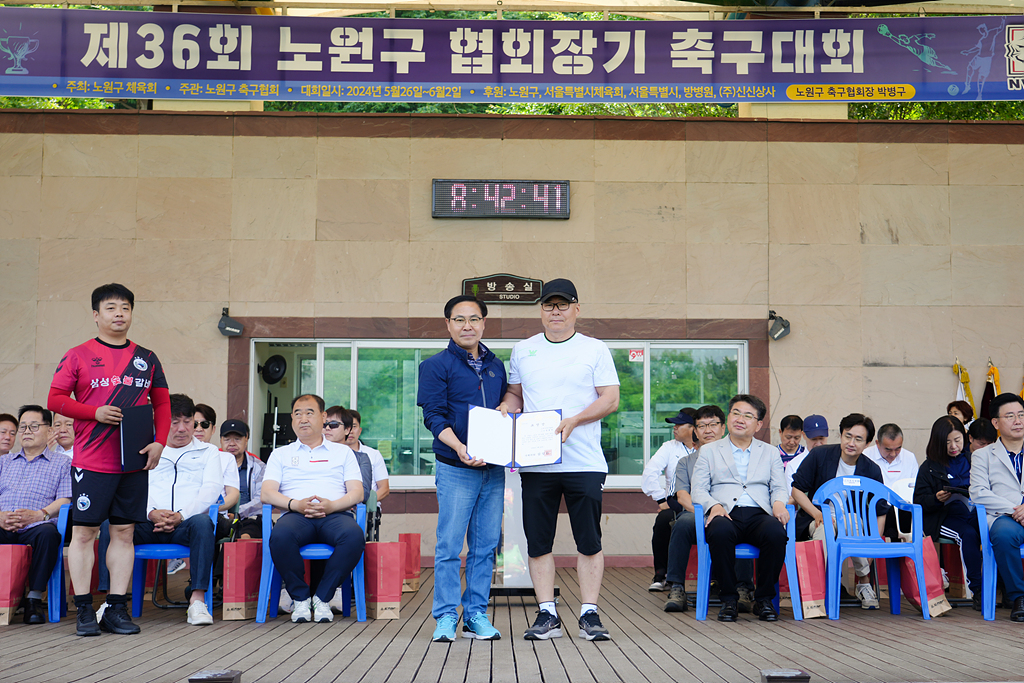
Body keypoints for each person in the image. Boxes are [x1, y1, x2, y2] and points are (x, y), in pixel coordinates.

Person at [499, 278, 620, 641]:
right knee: (538, 541)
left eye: (563, 305)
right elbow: (515, 395)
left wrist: (576, 420)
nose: (556, 311)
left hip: (584, 462)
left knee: (589, 539)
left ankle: (589, 614)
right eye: (549, 305)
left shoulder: (594, 349)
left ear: (576, 309)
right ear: (541, 310)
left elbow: (610, 398)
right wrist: (506, 410)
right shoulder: (523, 350)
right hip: (537, 462)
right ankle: (546, 614)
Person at [48, 283, 170, 637]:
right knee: (84, 533)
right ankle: (84, 609)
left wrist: (159, 442)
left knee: (124, 531)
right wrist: (93, 412)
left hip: (133, 460)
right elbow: (56, 399)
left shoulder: (147, 357)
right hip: (92, 460)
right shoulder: (78, 355)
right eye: (112, 308)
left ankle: (115, 609)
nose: (120, 314)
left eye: (126, 308)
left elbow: (161, 403)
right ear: (96, 315)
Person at [417, 295, 508, 642]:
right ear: (448, 325)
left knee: (486, 547)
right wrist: (460, 448)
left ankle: (475, 615)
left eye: (474, 319)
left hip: (493, 469)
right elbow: (433, 416)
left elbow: (506, 407)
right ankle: (444, 616)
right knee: (450, 546)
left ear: (484, 323)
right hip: (456, 467)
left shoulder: (497, 366)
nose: (467, 325)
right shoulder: (436, 365)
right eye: (459, 319)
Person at [262, 394, 365, 624]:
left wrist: (332, 506)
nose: (303, 419)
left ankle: (322, 597)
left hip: (335, 515)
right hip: (297, 515)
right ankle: (300, 598)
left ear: (323, 417)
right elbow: (267, 493)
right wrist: (295, 504)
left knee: (353, 536)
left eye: (309, 412)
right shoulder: (281, 454)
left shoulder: (343, 452)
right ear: (291, 419)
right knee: (280, 536)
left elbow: (357, 492)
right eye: (298, 413)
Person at [691, 394, 789, 622]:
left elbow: (779, 487)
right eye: (736, 413)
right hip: (724, 512)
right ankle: (728, 600)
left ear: (758, 424)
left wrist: (778, 503)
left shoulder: (770, 452)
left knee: (776, 533)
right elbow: (698, 489)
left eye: (747, 415)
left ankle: (763, 600)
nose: (740, 419)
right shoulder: (709, 451)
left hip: (759, 513)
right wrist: (713, 505)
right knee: (719, 532)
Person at [134, 394, 222, 626]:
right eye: (174, 421)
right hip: (149, 523)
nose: (182, 428)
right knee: (113, 525)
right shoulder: (146, 449)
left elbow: (211, 489)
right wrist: (151, 512)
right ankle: (112, 601)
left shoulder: (208, 452)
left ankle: (197, 601)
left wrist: (181, 514)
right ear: (161, 421)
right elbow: (134, 487)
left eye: (188, 421)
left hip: (186, 524)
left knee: (205, 524)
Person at [790, 413, 888, 610]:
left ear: (867, 443)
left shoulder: (871, 470)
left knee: (850, 519)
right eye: (847, 436)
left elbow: (880, 510)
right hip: (817, 517)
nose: (851, 443)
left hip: (852, 524)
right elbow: (797, 490)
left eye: (858, 439)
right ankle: (825, 589)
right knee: (823, 531)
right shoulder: (820, 455)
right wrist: (817, 514)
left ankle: (855, 584)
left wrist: (874, 543)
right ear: (841, 435)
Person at [0, 406, 72, 624]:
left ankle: (33, 600)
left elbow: (65, 500)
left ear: (49, 431)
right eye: (23, 427)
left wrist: (39, 514)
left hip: (37, 525)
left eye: (33, 426)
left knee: (49, 535)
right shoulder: (3, 462)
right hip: (3, 524)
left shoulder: (62, 463)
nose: (26, 432)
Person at [915, 415, 982, 610]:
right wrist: (936, 499)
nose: (954, 446)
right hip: (944, 516)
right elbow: (919, 500)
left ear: (965, 438)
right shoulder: (929, 468)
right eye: (947, 442)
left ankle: (1001, 586)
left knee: (990, 531)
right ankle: (978, 590)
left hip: (972, 512)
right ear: (937, 442)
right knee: (968, 535)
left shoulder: (974, 460)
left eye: (957, 440)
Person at [663, 404, 725, 612]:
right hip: (696, 513)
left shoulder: (735, 457)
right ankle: (677, 587)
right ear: (695, 431)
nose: (708, 430)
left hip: (727, 514)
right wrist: (705, 513)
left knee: (739, 523)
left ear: (722, 428)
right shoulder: (686, 462)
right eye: (702, 426)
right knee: (681, 524)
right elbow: (682, 496)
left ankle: (742, 588)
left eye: (713, 424)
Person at [970, 392, 1024, 621]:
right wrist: (1016, 508)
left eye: (1021, 415)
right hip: (1006, 517)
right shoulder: (984, 455)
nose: (1018, 421)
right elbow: (978, 493)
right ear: (995, 422)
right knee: (1002, 535)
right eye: (1010, 416)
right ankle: (1019, 596)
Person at [642, 408, 695, 592]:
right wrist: (660, 499)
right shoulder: (669, 447)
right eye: (675, 425)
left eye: (680, 425)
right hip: (676, 502)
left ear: (693, 428)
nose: (675, 428)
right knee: (663, 520)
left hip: (703, 502)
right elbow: (650, 472)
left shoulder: (709, 448)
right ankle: (661, 574)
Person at [220, 419, 265, 540]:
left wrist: (238, 513)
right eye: (227, 439)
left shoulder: (259, 467)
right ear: (221, 441)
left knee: (247, 533)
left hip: (249, 518)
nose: (232, 444)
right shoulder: (213, 464)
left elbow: (261, 499)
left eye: (237, 439)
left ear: (246, 439)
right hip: (220, 518)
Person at [343, 410, 390, 503]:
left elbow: (384, 488)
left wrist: (366, 502)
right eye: (346, 426)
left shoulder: (373, 454)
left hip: (369, 509)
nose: (350, 431)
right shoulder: (333, 454)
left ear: (360, 431)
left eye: (354, 427)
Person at [863, 423, 919, 490]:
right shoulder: (865, 456)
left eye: (898, 449)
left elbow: (914, 486)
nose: (893, 454)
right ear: (878, 443)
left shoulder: (910, 457)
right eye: (888, 449)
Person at [785, 414, 828, 491]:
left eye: (821, 438)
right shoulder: (793, 465)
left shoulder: (837, 458)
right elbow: (790, 498)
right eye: (813, 439)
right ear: (804, 435)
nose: (818, 443)